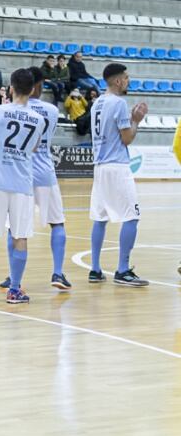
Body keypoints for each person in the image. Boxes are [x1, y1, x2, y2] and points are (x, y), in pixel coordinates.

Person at [0, 67, 71, 291]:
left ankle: (12, 275)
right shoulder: (50, 109)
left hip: (22, 172)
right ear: (38, 86)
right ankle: (58, 272)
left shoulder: (12, 110)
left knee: (15, 229)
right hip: (45, 172)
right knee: (57, 222)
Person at [0, 68, 43, 304]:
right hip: (22, 184)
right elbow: (33, 148)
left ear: (11, 88)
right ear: (33, 90)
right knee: (20, 236)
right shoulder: (38, 118)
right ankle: (14, 290)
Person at [88, 63, 149, 287]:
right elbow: (127, 139)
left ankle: (95, 269)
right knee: (132, 217)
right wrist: (135, 120)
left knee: (100, 218)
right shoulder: (119, 104)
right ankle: (122, 270)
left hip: (99, 166)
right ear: (117, 81)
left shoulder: (97, 103)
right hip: (117, 166)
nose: (128, 81)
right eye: (126, 78)